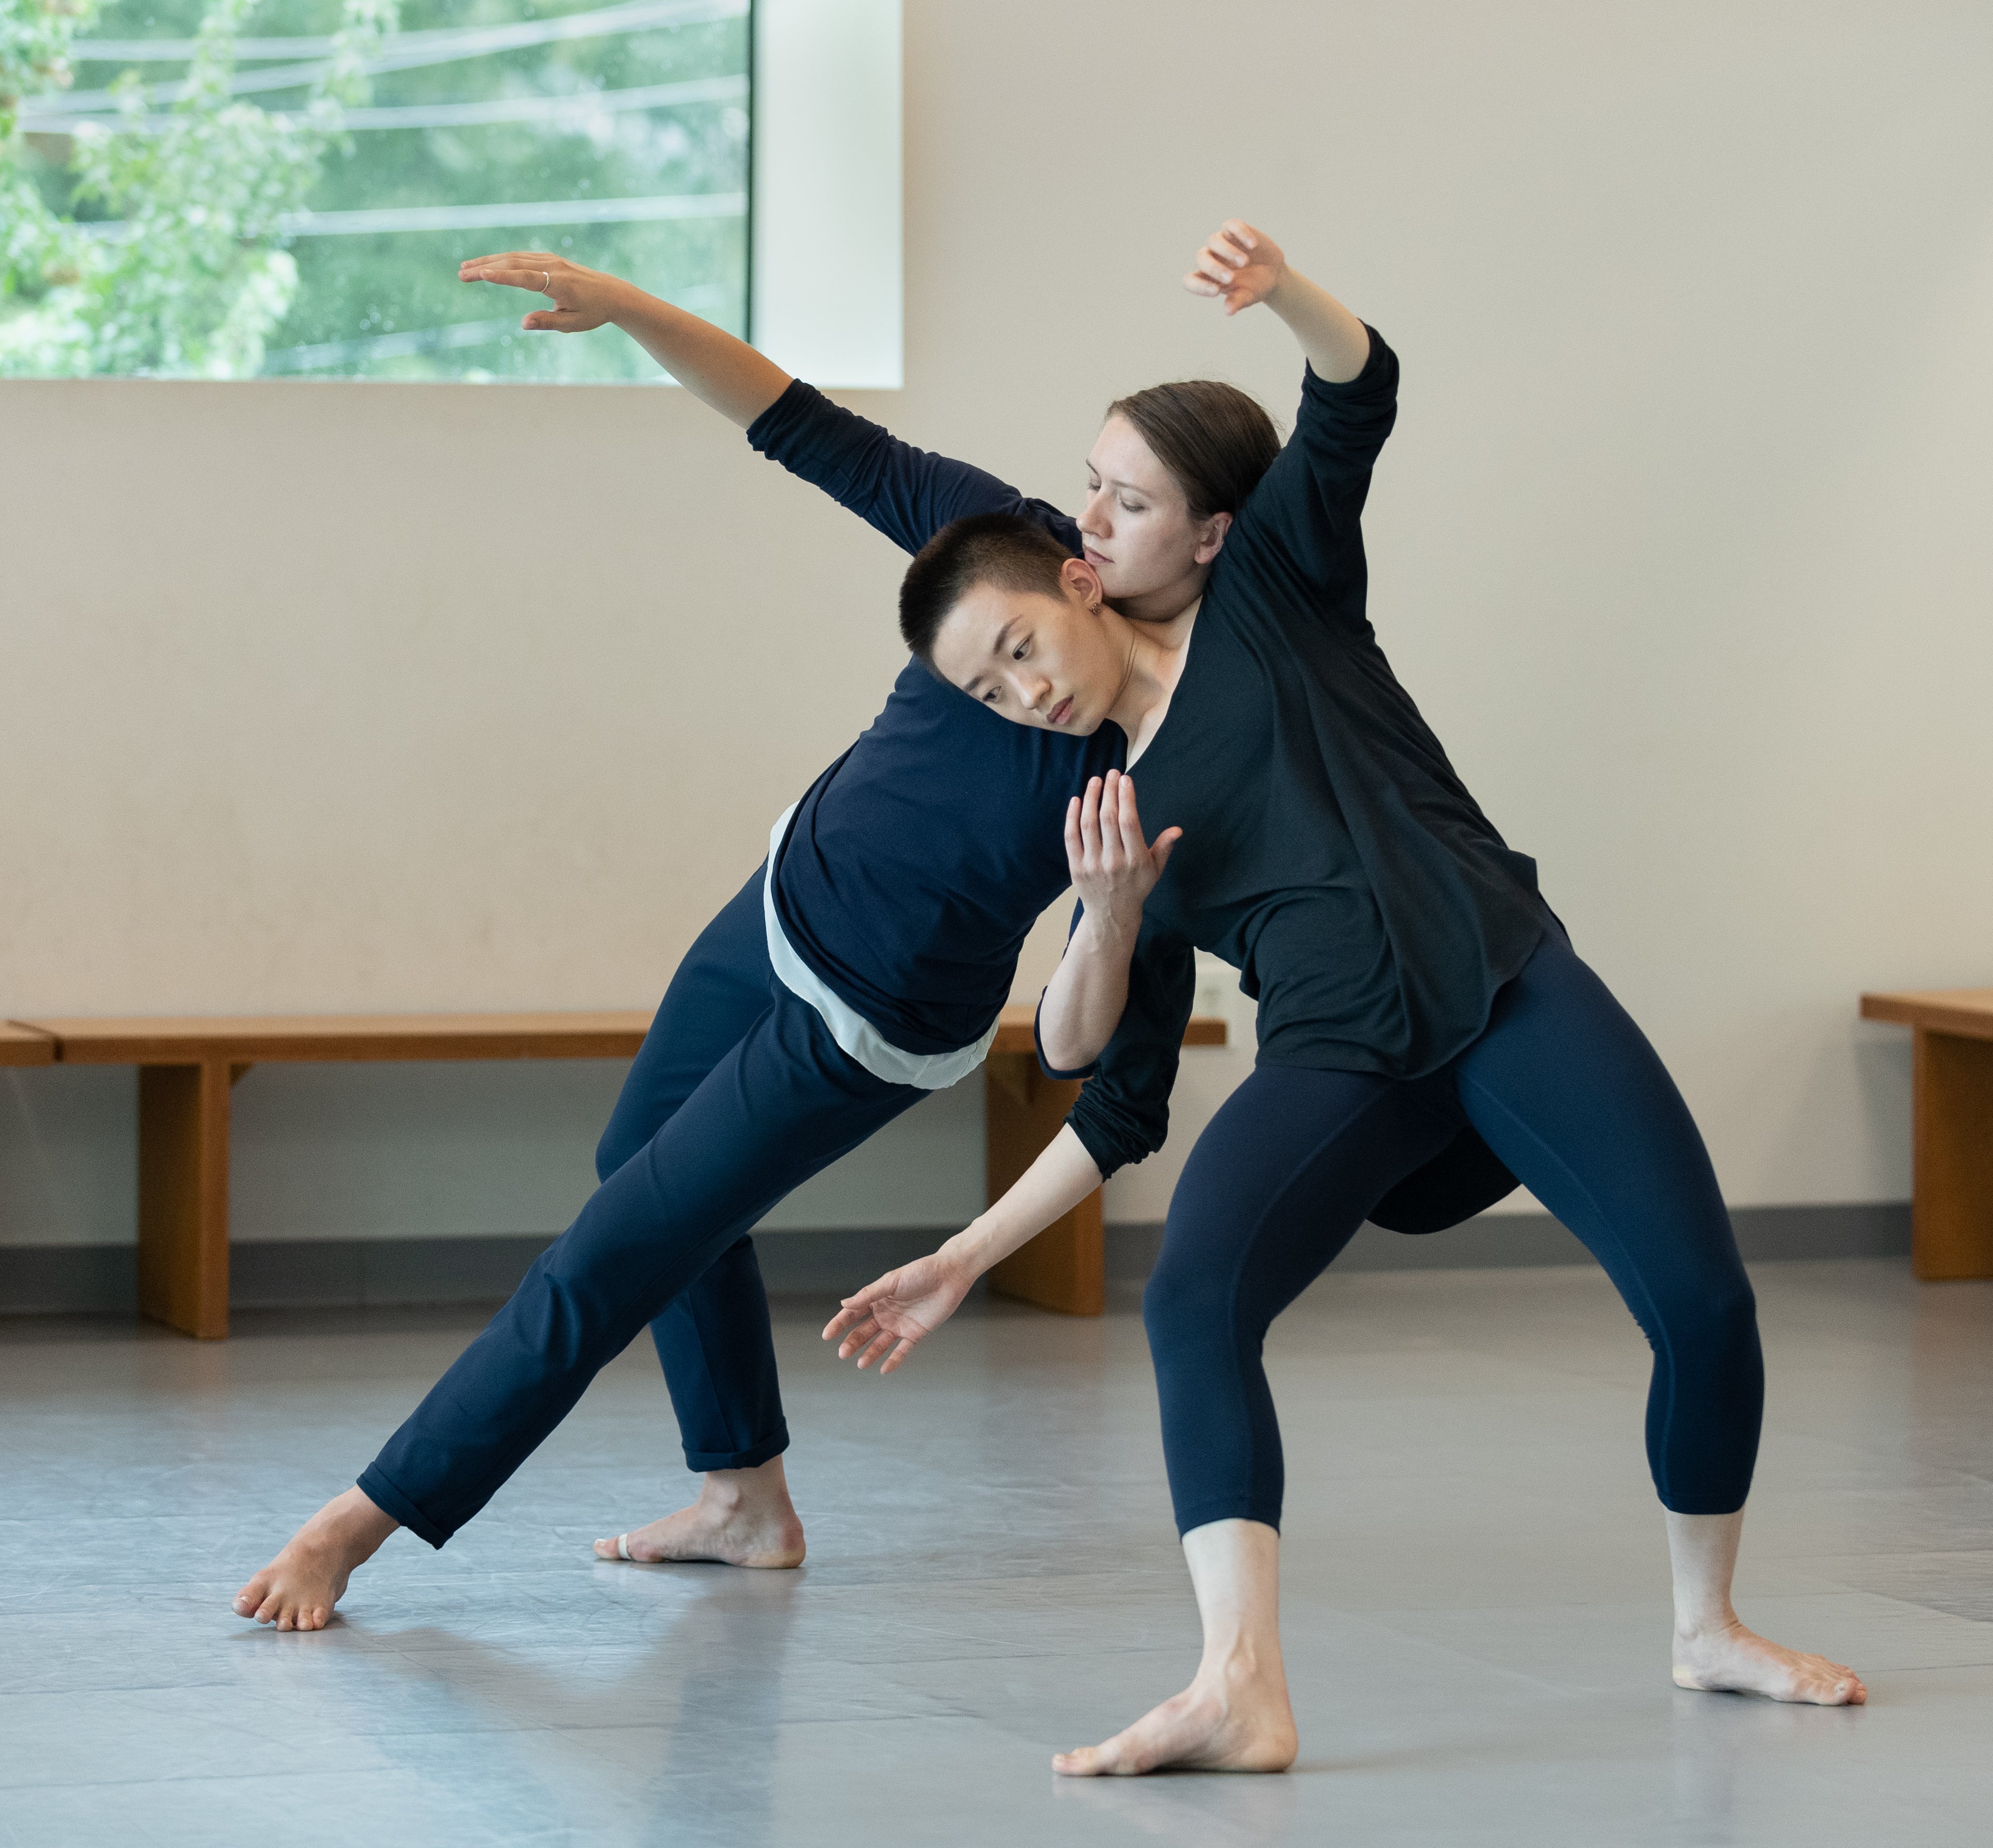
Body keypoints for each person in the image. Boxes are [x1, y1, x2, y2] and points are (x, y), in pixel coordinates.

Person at [823, 220, 1867, 1772]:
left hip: (1509, 986)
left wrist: (1287, 296)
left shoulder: (1286, 590)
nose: (1091, 520)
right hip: (1341, 1061)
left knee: (1705, 1302)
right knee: (1193, 1292)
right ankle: (1238, 1679)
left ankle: (1707, 1624)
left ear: (1210, 533)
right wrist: (1093, 951)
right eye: (1088, 492)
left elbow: (1357, 391)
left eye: (1125, 497)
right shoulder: (1100, 798)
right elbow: (1085, 1064)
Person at [227, 256, 1260, 1629]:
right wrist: (633, 307)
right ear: (1068, 561)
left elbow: (1079, 1043)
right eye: (992, 668)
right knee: (633, 1169)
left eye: (1135, 502)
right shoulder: (992, 542)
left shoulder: (1146, 761)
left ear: (1199, 535)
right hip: (776, 903)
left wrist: (1116, 913)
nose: (1025, 692)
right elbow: (804, 427)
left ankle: (357, 1523)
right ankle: (746, 1500)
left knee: (617, 1245)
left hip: (864, 1029)